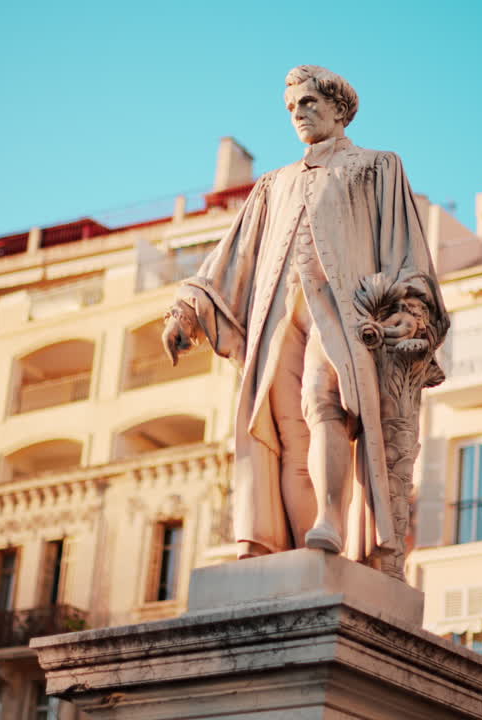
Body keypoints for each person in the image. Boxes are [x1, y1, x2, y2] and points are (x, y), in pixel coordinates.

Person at [162, 65, 447, 574]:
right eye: (292, 106)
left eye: (309, 102)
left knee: (325, 399)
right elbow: (233, 256)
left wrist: (411, 308)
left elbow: (405, 248)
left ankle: (330, 520)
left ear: (339, 109)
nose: (299, 113)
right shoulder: (274, 184)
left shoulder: (376, 166)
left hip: (341, 311)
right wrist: (186, 309)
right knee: (285, 429)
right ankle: (294, 549)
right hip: (277, 314)